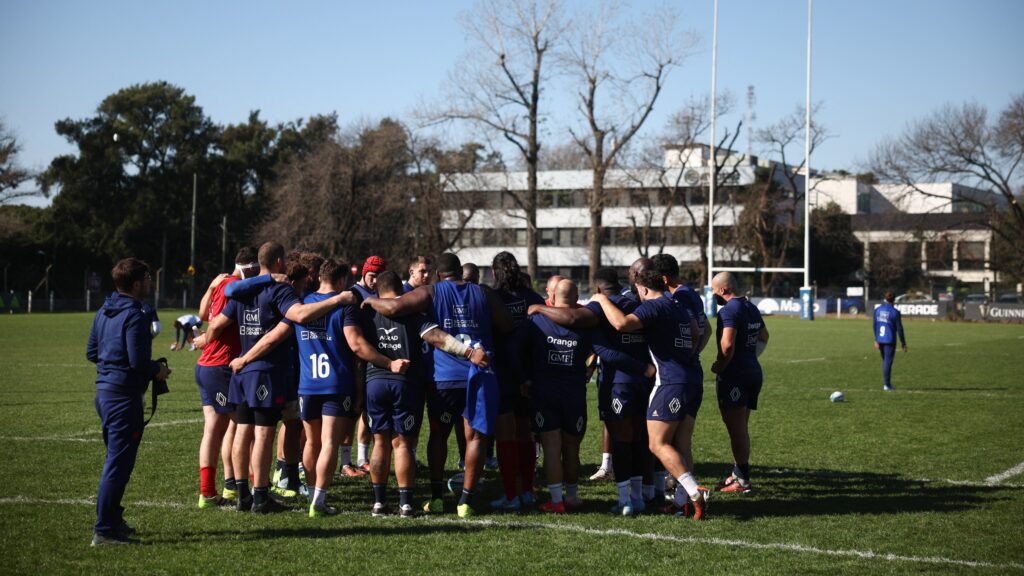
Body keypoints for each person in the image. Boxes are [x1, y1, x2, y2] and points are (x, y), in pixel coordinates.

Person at [195, 242, 355, 513]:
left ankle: (241, 492)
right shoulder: (279, 290)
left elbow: (218, 323)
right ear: (280, 262)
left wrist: (207, 342)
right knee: (263, 435)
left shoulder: (244, 291)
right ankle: (260, 497)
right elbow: (298, 317)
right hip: (265, 371)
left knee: (242, 432)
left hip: (241, 372)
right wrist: (339, 299)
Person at [362, 252, 512, 518]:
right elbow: (506, 325)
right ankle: (466, 500)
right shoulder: (484, 293)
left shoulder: (433, 292)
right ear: (460, 272)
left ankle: (436, 496)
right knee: (475, 437)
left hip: (444, 376)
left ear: (440, 274)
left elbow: (395, 307)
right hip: (479, 371)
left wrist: (369, 298)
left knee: (438, 435)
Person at [589, 270, 709, 520]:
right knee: (681, 443)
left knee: (657, 443)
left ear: (642, 289)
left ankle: (693, 492)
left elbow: (622, 324)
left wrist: (601, 300)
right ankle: (681, 502)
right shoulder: (678, 303)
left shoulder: (653, 306)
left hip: (669, 382)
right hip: (692, 379)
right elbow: (698, 332)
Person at [87, 258, 170, 545]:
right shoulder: (136, 313)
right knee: (118, 464)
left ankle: (113, 519)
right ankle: (104, 530)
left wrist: (112, 365)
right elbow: (137, 361)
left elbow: (91, 352)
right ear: (136, 283)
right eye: (148, 278)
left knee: (117, 461)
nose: (150, 283)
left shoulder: (103, 310)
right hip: (123, 398)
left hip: (105, 393)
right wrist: (157, 370)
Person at [519, 279, 593, 513]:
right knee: (572, 448)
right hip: (574, 394)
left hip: (545, 392)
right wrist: (589, 368)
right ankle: (571, 497)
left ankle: (556, 500)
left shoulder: (536, 320)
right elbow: (597, 352)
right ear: (577, 297)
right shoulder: (586, 321)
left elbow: (520, 351)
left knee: (551, 446)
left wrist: (525, 379)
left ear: (552, 297)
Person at [193, 247, 259, 509]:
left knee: (215, 428)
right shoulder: (235, 286)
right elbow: (216, 323)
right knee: (248, 428)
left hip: (207, 367)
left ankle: (210, 492)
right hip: (219, 366)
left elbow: (202, 315)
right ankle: (255, 488)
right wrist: (206, 339)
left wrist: (210, 288)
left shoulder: (222, 283)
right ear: (250, 268)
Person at [489, 252, 546, 512]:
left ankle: (510, 494)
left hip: (503, 374)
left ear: (494, 273)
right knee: (526, 433)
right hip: (531, 375)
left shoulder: (493, 298)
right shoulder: (533, 299)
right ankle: (527, 491)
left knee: (505, 435)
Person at [710, 272, 768, 495]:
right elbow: (764, 336)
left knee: (737, 429)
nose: (712, 294)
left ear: (724, 290)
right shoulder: (750, 306)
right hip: (753, 372)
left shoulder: (729, 310)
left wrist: (720, 366)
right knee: (740, 426)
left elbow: (727, 345)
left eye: (714, 290)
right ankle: (737, 473)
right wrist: (750, 358)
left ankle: (742, 480)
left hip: (735, 376)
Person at [349, 255, 387, 475]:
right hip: (357, 358)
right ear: (364, 273)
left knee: (368, 409)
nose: (375, 280)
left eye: (378, 276)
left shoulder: (379, 294)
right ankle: (345, 460)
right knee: (355, 408)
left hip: (375, 356)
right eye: (372, 276)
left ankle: (363, 457)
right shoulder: (354, 294)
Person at [873, 291, 906, 391]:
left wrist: (876, 339)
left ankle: (887, 384)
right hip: (889, 340)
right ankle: (887, 385)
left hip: (880, 339)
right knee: (887, 362)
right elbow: (899, 329)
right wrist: (903, 342)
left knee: (885, 361)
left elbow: (874, 325)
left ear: (885, 298)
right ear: (894, 300)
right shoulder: (895, 312)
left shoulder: (877, 310)